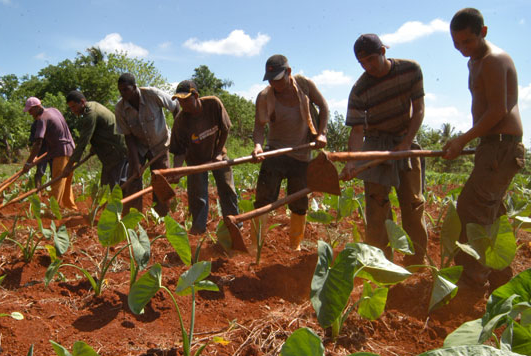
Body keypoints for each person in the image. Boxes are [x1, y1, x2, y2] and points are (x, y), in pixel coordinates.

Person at [443, 8, 525, 286]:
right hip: (492, 146)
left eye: (467, 42)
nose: (462, 49)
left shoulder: (493, 60)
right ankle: (501, 277)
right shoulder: (474, 62)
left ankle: (473, 279)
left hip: (501, 147)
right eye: (456, 44)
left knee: (470, 210)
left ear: (484, 32)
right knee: (490, 213)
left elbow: (497, 111)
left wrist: (461, 139)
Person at [342, 34, 427, 263]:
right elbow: (357, 131)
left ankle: (417, 262)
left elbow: (418, 110)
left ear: (383, 51)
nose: (368, 66)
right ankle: (381, 264)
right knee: (377, 208)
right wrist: (352, 161)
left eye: (371, 59)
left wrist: (406, 143)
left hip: (406, 140)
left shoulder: (410, 70)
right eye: (363, 63)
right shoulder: (360, 89)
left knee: (413, 204)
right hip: (376, 145)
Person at [251, 54, 329, 251]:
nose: (275, 84)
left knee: (299, 202)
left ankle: (295, 245)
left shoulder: (305, 86)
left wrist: (322, 134)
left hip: (302, 154)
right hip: (275, 152)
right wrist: (258, 147)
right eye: (271, 80)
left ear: (289, 72)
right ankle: (255, 246)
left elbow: (324, 107)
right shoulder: (264, 96)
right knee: (263, 198)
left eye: (278, 79)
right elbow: (259, 127)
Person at [169, 80, 240, 235]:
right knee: (197, 196)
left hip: (218, 154)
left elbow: (225, 128)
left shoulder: (213, 105)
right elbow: (179, 151)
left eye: (186, 100)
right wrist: (177, 170)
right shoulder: (181, 121)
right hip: (195, 161)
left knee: (227, 189)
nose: (183, 104)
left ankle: (234, 224)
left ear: (196, 95)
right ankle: (198, 229)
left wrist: (218, 153)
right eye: (180, 101)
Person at [115, 73, 180, 216]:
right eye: (120, 90)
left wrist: (177, 134)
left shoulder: (152, 95)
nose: (123, 94)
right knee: (134, 179)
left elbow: (175, 107)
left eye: (126, 89)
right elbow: (129, 137)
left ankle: (162, 216)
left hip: (160, 144)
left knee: (160, 180)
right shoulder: (120, 108)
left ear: (134, 87)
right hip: (139, 147)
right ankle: (132, 216)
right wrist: (136, 162)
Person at [64, 91, 128, 191]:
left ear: (82, 102)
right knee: (106, 186)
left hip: (116, 152)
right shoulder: (93, 105)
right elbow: (101, 129)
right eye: (70, 108)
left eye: (74, 106)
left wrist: (69, 166)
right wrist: (94, 146)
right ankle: (108, 205)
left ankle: (121, 205)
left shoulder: (91, 113)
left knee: (114, 186)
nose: (73, 110)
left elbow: (83, 141)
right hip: (111, 151)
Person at [22, 97, 77, 210]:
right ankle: (70, 207)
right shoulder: (54, 110)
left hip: (61, 152)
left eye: (31, 111)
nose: (30, 114)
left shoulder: (42, 119)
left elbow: (38, 143)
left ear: (37, 107)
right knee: (66, 181)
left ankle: (53, 210)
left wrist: (28, 163)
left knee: (57, 181)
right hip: (71, 149)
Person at [29, 120, 51, 188]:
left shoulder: (50, 123)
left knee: (55, 173)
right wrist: (34, 156)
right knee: (40, 171)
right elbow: (35, 142)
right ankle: (38, 191)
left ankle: (56, 193)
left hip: (53, 149)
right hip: (41, 150)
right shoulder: (35, 125)